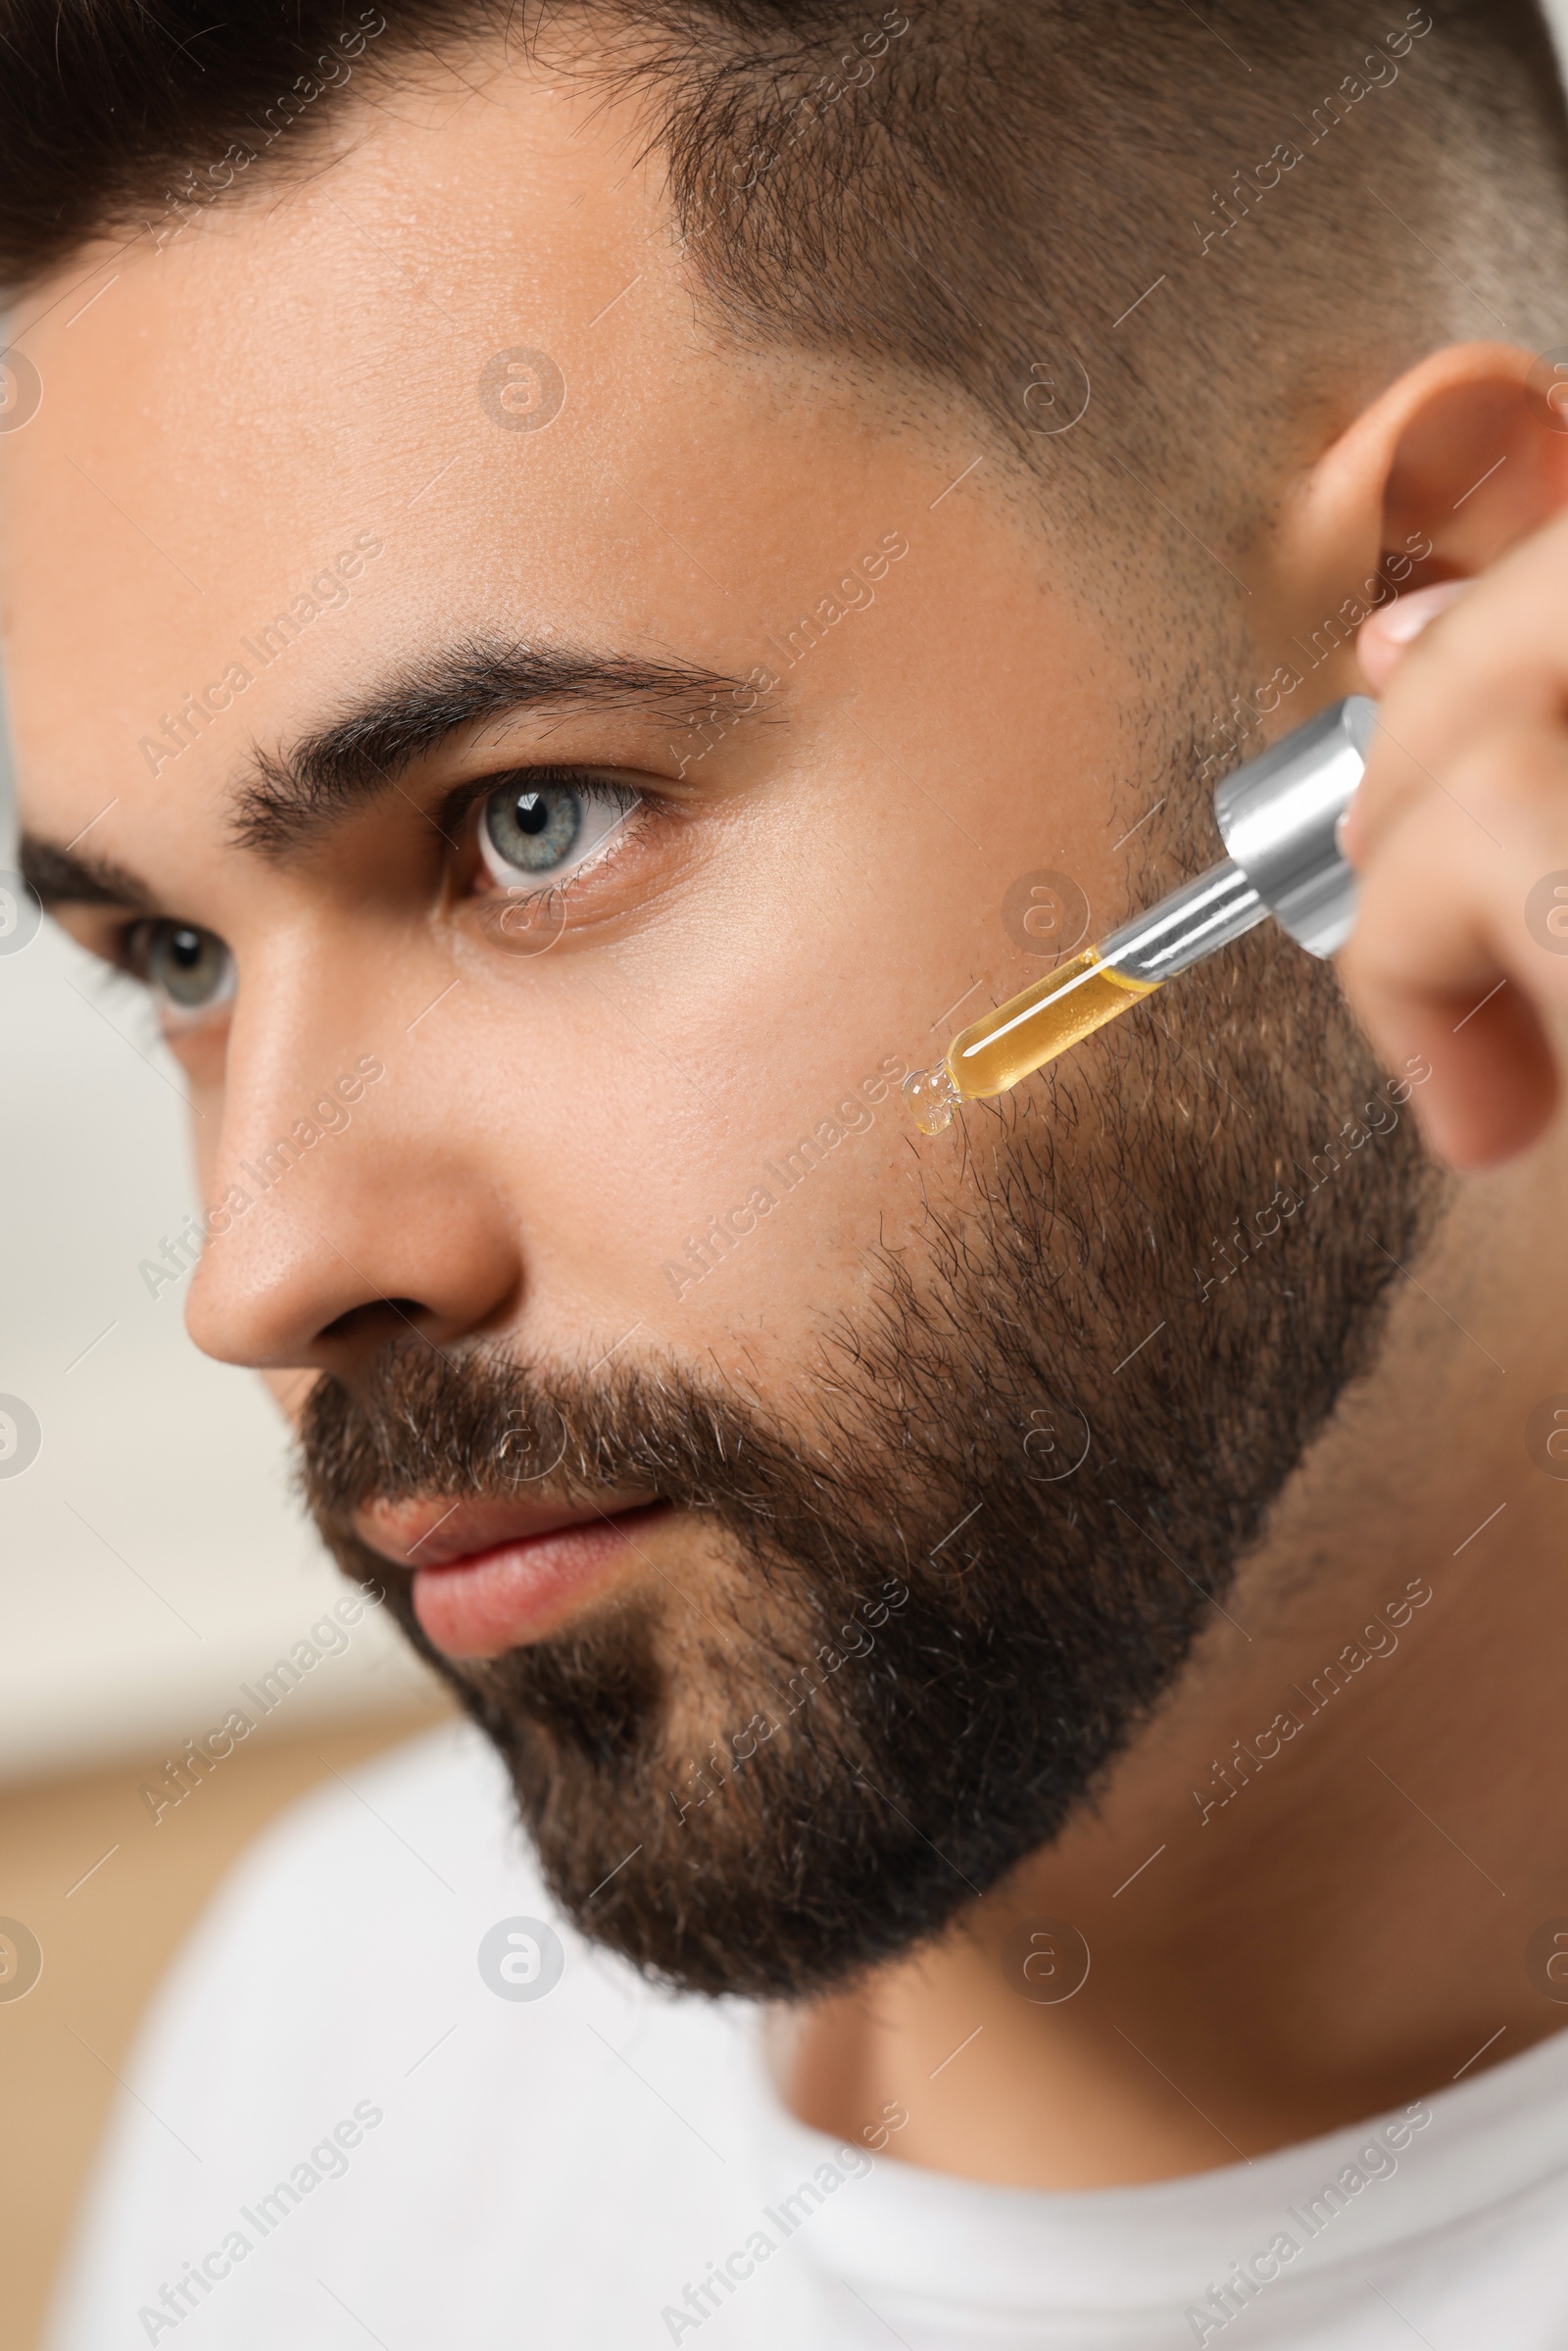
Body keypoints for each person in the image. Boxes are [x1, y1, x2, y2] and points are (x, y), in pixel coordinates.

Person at [7, 0, 1568, 2339]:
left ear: (1415, 621)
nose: (263, 1263)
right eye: (173, 955)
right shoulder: (337, 2051)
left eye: (531, 826)